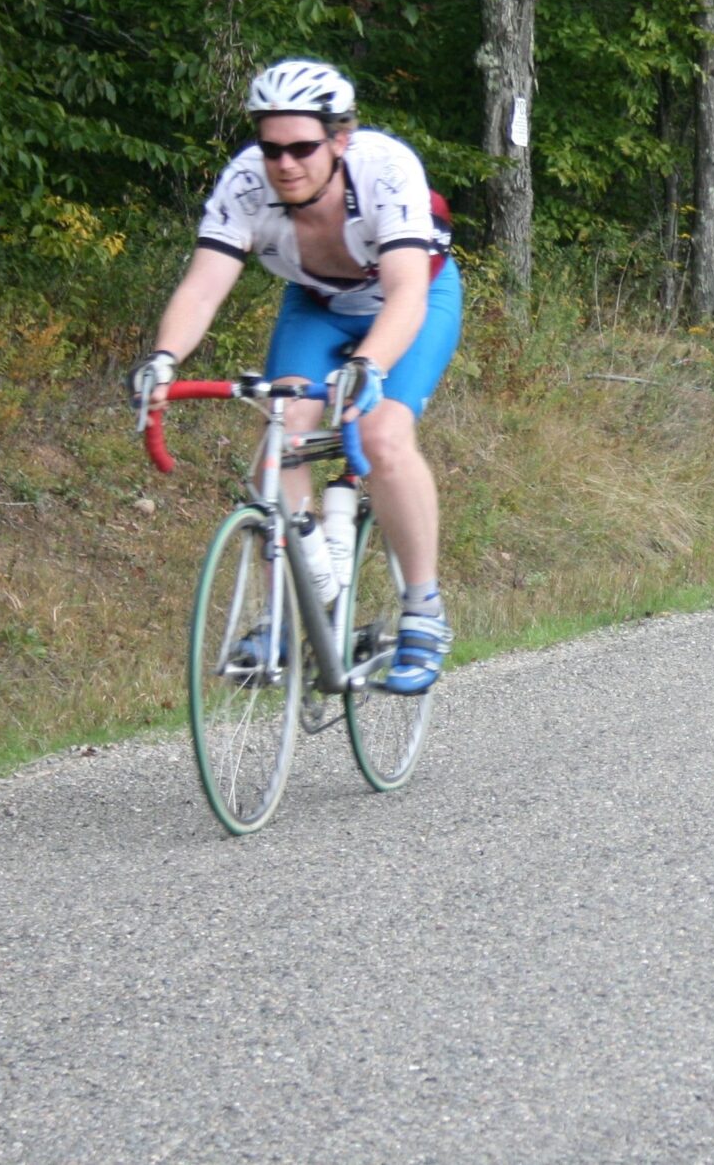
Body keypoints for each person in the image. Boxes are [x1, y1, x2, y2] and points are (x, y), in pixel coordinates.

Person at [128, 59, 463, 693]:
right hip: (316, 304)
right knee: (279, 443)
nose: (284, 164)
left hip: (414, 299)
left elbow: (406, 296)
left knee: (386, 436)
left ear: (339, 138)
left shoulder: (385, 170)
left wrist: (368, 367)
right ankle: (289, 611)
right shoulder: (246, 183)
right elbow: (203, 286)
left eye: (303, 147)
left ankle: (424, 610)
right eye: (271, 147)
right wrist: (164, 359)